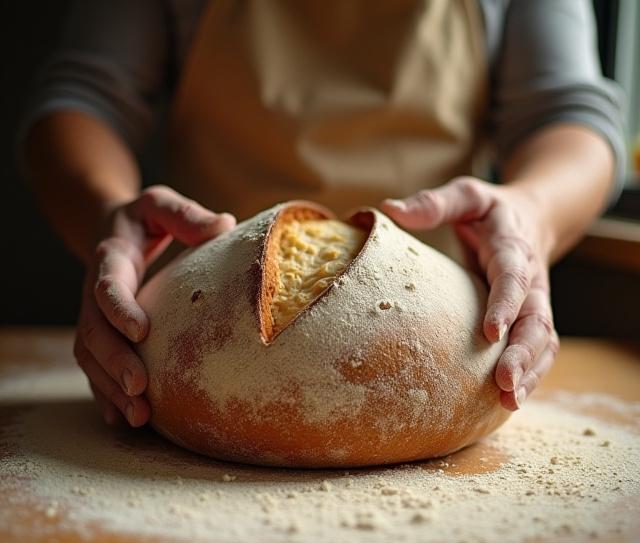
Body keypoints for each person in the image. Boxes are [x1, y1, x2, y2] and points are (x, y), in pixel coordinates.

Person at [23, 0, 625, 428]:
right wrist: (108, 215)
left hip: (437, 328)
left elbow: (567, 114)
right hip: (199, 321)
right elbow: (86, 95)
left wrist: (531, 214)